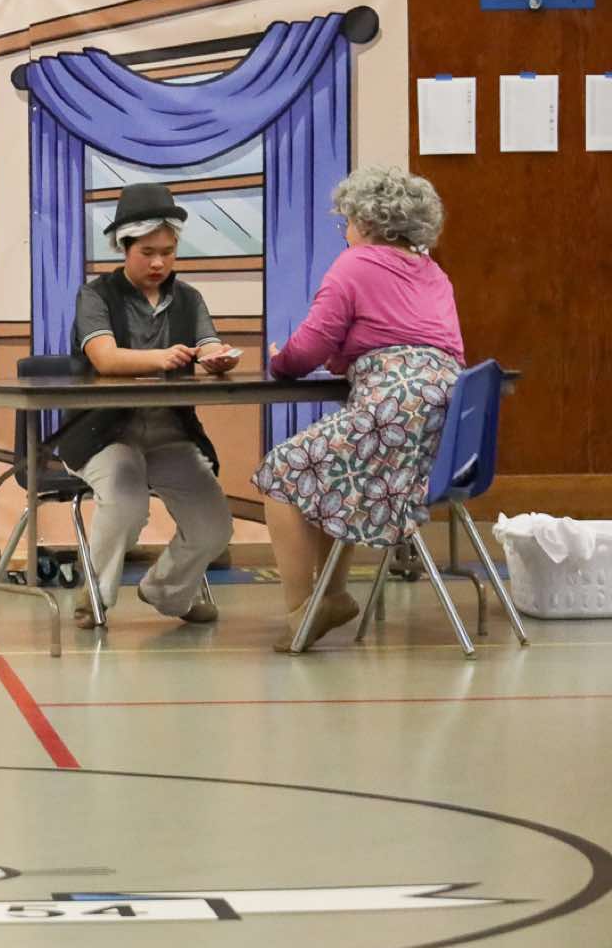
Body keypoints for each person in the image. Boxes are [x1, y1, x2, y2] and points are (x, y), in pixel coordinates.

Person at [255, 166, 464, 653]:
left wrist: (280, 361)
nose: (345, 229)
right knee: (337, 475)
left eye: (346, 219)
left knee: (279, 474)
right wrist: (349, 357)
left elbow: (311, 345)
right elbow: (415, 338)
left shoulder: (355, 264)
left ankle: (302, 610)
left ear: (367, 222)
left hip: (394, 403)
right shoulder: (433, 272)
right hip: (442, 411)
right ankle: (330, 596)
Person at [59, 182, 238, 629]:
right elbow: (104, 357)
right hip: (104, 432)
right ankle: (94, 598)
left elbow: (207, 344)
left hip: (169, 432)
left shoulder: (189, 298)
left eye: (168, 252)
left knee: (214, 524)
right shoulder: (95, 296)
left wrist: (217, 357)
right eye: (147, 252)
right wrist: (162, 358)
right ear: (124, 247)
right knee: (125, 503)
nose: (159, 262)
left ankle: (167, 590)